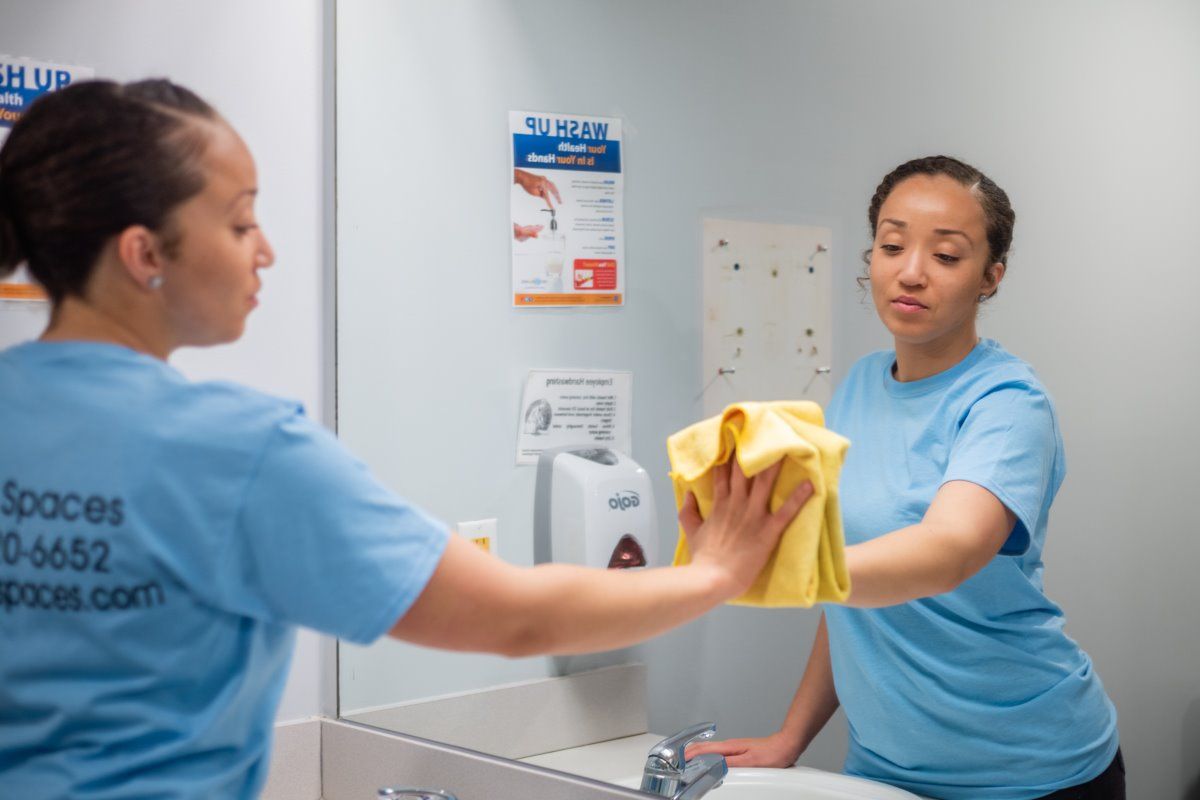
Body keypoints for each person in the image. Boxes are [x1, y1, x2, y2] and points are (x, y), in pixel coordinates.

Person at [0, 80, 812, 799]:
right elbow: (513, 618)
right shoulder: (235, 452)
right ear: (144, 253)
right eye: (241, 220)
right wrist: (714, 572)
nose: (267, 249)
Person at [689, 156, 1123, 799]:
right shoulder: (860, 387)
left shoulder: (1007, 404)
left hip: (1028, 770)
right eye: (893, 245)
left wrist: (782, 564)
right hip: (887, 771)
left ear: (990, 278)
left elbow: (946, 551)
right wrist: (791, 737)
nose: (911, 272)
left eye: (947, 256)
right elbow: (856, 600)